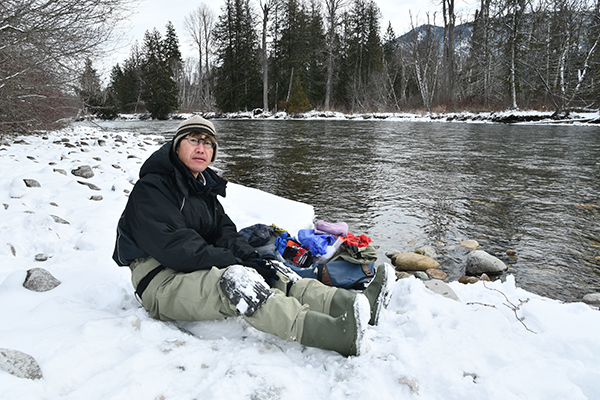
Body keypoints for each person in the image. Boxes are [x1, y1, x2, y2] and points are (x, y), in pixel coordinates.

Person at [112, 115, 395, 356]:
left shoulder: (203, 189)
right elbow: (176, 248)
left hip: (190, 267)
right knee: (239, 283)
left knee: (272, 270)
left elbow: (225, 232)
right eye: (194, 140)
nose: (202, 148)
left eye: (208, 143)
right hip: (160, 280)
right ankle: (334, 335)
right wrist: (237, 264)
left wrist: (251, 258)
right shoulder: (152, 189)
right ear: (177, 146)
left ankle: (353, 304)